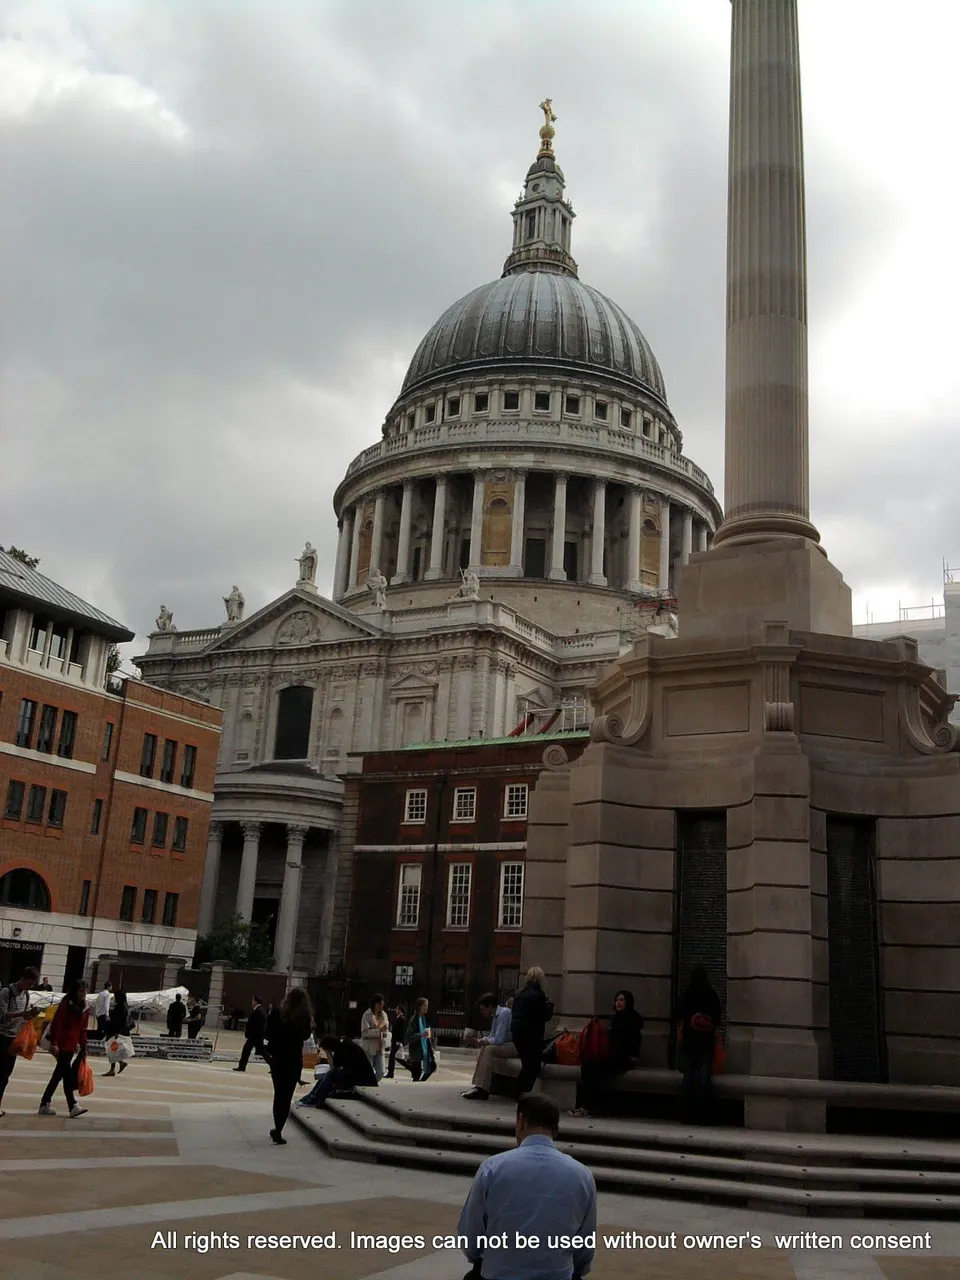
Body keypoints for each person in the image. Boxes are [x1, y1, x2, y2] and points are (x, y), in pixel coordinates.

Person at [458, 1092, 596, 1280]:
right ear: (556, 1128)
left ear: (520, 1122)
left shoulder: (493, 1168)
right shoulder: (582, 1175)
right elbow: (585, 1240)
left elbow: (471, 1232)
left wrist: (482, 1258)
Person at [573, 990, 644, 1118]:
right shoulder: (617, 1018)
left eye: (622, 1000)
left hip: (624, 1058)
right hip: (615, 1056)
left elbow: (630, 1043)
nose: (619, 1003)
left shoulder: (631, 1019)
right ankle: (589, 1107)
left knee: (591, 1068)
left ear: (628, 1002)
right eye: (617, 1000)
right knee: (589, 1067)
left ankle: (589, 1107)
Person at [263, 987, 314, 1144]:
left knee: (278, 1094)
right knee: (287, 1096)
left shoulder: (278, 1013)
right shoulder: (304, 1016)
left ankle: (276, 1125)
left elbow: (267, 1034)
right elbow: (306, 1036)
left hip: (278, 1058)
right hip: (293, 1059)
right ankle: (279, 1129)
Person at [675, 964, 722, 1125]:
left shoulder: (687, 994)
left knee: (687, 1078)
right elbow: (718, 1018)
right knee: (703, 1079)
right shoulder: (711, 995)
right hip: (705, 1043)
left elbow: (677, 1013)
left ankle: (685, 1115)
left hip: (689, 1042)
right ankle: (703, 1116)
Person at [38, 979, 89, 1119]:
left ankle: (45, 1103)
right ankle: (72, 1105)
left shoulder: (84, 1007)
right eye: (81, 991)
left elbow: (83, 1029)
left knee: (58, 1075)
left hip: (72, 1045)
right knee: (66, 1075)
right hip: (62, 1044)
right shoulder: (66, 1004)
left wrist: (84, 1046)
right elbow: (57, 1023)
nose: (84, 994)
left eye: (85, 991)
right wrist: (54, 1043)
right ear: (75, 991)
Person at [0, 966, 40, 1117]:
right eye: (29, 983)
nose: (30, 987)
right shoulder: (6, 992)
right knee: (1, 1072)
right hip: (2, 1035)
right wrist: (23, 1013)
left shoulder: (27, 995)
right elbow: (2, 1015)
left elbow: (24, 1018)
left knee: (5, 1075)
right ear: (23, 979)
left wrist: (31, 1015)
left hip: (14, 1038)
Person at [463, 993, 516, 1101]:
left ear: (490, 1006)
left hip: (514, 1046)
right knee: (485, 1048)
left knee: (489, 1049)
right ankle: (478, 1085)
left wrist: (483, 1041)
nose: (482, 1012)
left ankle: (483, 1088)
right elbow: (492, 1035)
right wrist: (481, 1041)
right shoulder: (496, 1016)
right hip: (506, 1044)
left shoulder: (504, 1014)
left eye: (483, 1009)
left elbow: (498, 1039)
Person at [299, 1034, 377, 1108]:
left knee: (330, 1074)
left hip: (362, 1079)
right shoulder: (343, 1046)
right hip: (357, 1075)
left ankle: (313, 1099)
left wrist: (328, 1053)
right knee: (325, 1078)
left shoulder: (345, 1047)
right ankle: (309, 1098)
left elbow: (333, 1068)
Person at [510, 967, 554, 1095]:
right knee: (533, 1066)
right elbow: (544, 1016)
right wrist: (549, 1005)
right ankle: (523, 1093)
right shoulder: (538, 994)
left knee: (526, 1063)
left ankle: (520, 1092)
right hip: (531, 1034)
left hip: (517, 1033)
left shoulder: (519, 993)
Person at [102, 990, 134, 1077]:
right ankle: (117, 1066)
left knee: (112, 1049)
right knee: (113, 1049)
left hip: (115, 1031)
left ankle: (117, 1066)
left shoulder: (120, 1006)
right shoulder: (124, 1006)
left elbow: (119, 1020)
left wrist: (116, 1032)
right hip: (118, 1030)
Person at [405, 996, 436, 1082]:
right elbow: (409, 1036)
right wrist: (421, 1035)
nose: (427, 1008)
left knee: (432, 1066)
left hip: (425, 1048)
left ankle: (421, 1081)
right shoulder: (414, 1019)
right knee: (417, 1073)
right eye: (425, 1005)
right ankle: (415, 1086)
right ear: (419, 1007)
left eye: (427, 1005)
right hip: (416, 1050)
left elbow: (428, 1034)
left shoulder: (425, 1019)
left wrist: (431, 1046)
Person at [360, 993, 389, 1082]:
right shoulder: (367, 1015)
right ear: (374, 1003)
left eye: (382, 1005)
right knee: (367, 1071)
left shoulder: (383, 1014)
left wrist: (385, 1033)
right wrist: (378, 1031)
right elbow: (364, 1033)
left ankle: (370, 1083)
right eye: (379, 1004)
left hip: (380, 1047)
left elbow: (386, 1029)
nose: (381, 1007)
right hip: (369, 1048)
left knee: (381, 1072)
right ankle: (365, 1085)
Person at [234, 996, 267, 1072]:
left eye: (253, 1001)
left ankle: (242, 1067)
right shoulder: (259, 1011)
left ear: (255, 1002)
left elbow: (257, 1025)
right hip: (254, 1036)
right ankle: (242, 1066)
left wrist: (252, 1034)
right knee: (251, 1051)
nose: (252, 1003)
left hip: (255, 1037)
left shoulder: (259, 1011)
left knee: (259, 1052)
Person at [386, 1005, 406, 1079]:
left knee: (392, 1056)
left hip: (397, 1041)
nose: (395, 1011)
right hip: (394, 1040)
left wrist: (399, 1041)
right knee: (392, 1056)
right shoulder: (398, 1018)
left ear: (400, 1010)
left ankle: (390, 1072)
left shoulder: (402, 1019)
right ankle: (390, 1072)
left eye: (397, 1009)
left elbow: (401, 1031)